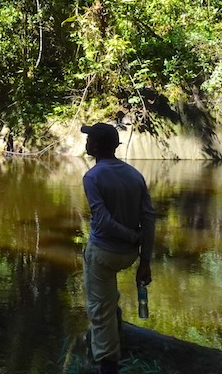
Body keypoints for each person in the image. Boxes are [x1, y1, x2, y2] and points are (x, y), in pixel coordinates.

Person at [81, 122, 155, 374]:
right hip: (130, 254)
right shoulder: (135, 174)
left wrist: (131, 236)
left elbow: (102, 220)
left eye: (89, 139)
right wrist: (145, 259)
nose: (86, 142)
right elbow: (148, 218)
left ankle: (107, 365)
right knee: (107, 299)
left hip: (104, 253)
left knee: (99, 310)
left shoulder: (92, 177)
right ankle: (115, 317)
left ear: (97, 146)